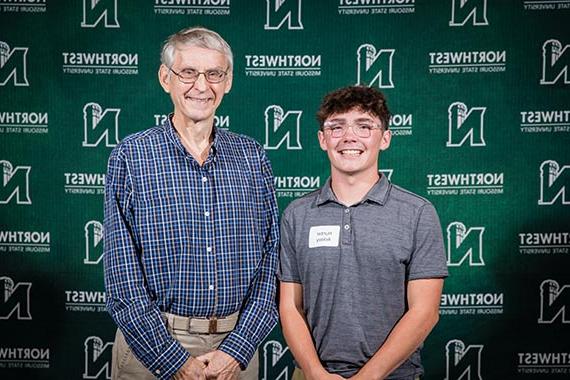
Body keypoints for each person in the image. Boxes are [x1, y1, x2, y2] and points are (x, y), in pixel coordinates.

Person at [103, 26, 279, 380]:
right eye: (188, 72)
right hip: (151, 350)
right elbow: (122, 276)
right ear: (165, 78)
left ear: (227, 81)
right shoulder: (131, 156)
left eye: (214, 74)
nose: (202, 85)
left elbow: (272, 258)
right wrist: (173, 360)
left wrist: (238, 348)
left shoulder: (252, 156)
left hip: (236, 349)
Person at [278, 85, 448, 380]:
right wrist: (315, 373)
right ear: (322, 139)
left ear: (385, 139)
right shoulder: (297, 214)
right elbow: (290, 306)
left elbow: (425, 311)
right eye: (336, 127)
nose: (349, 137)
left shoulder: (418, 213)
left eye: (364, 126)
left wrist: (368, 377)